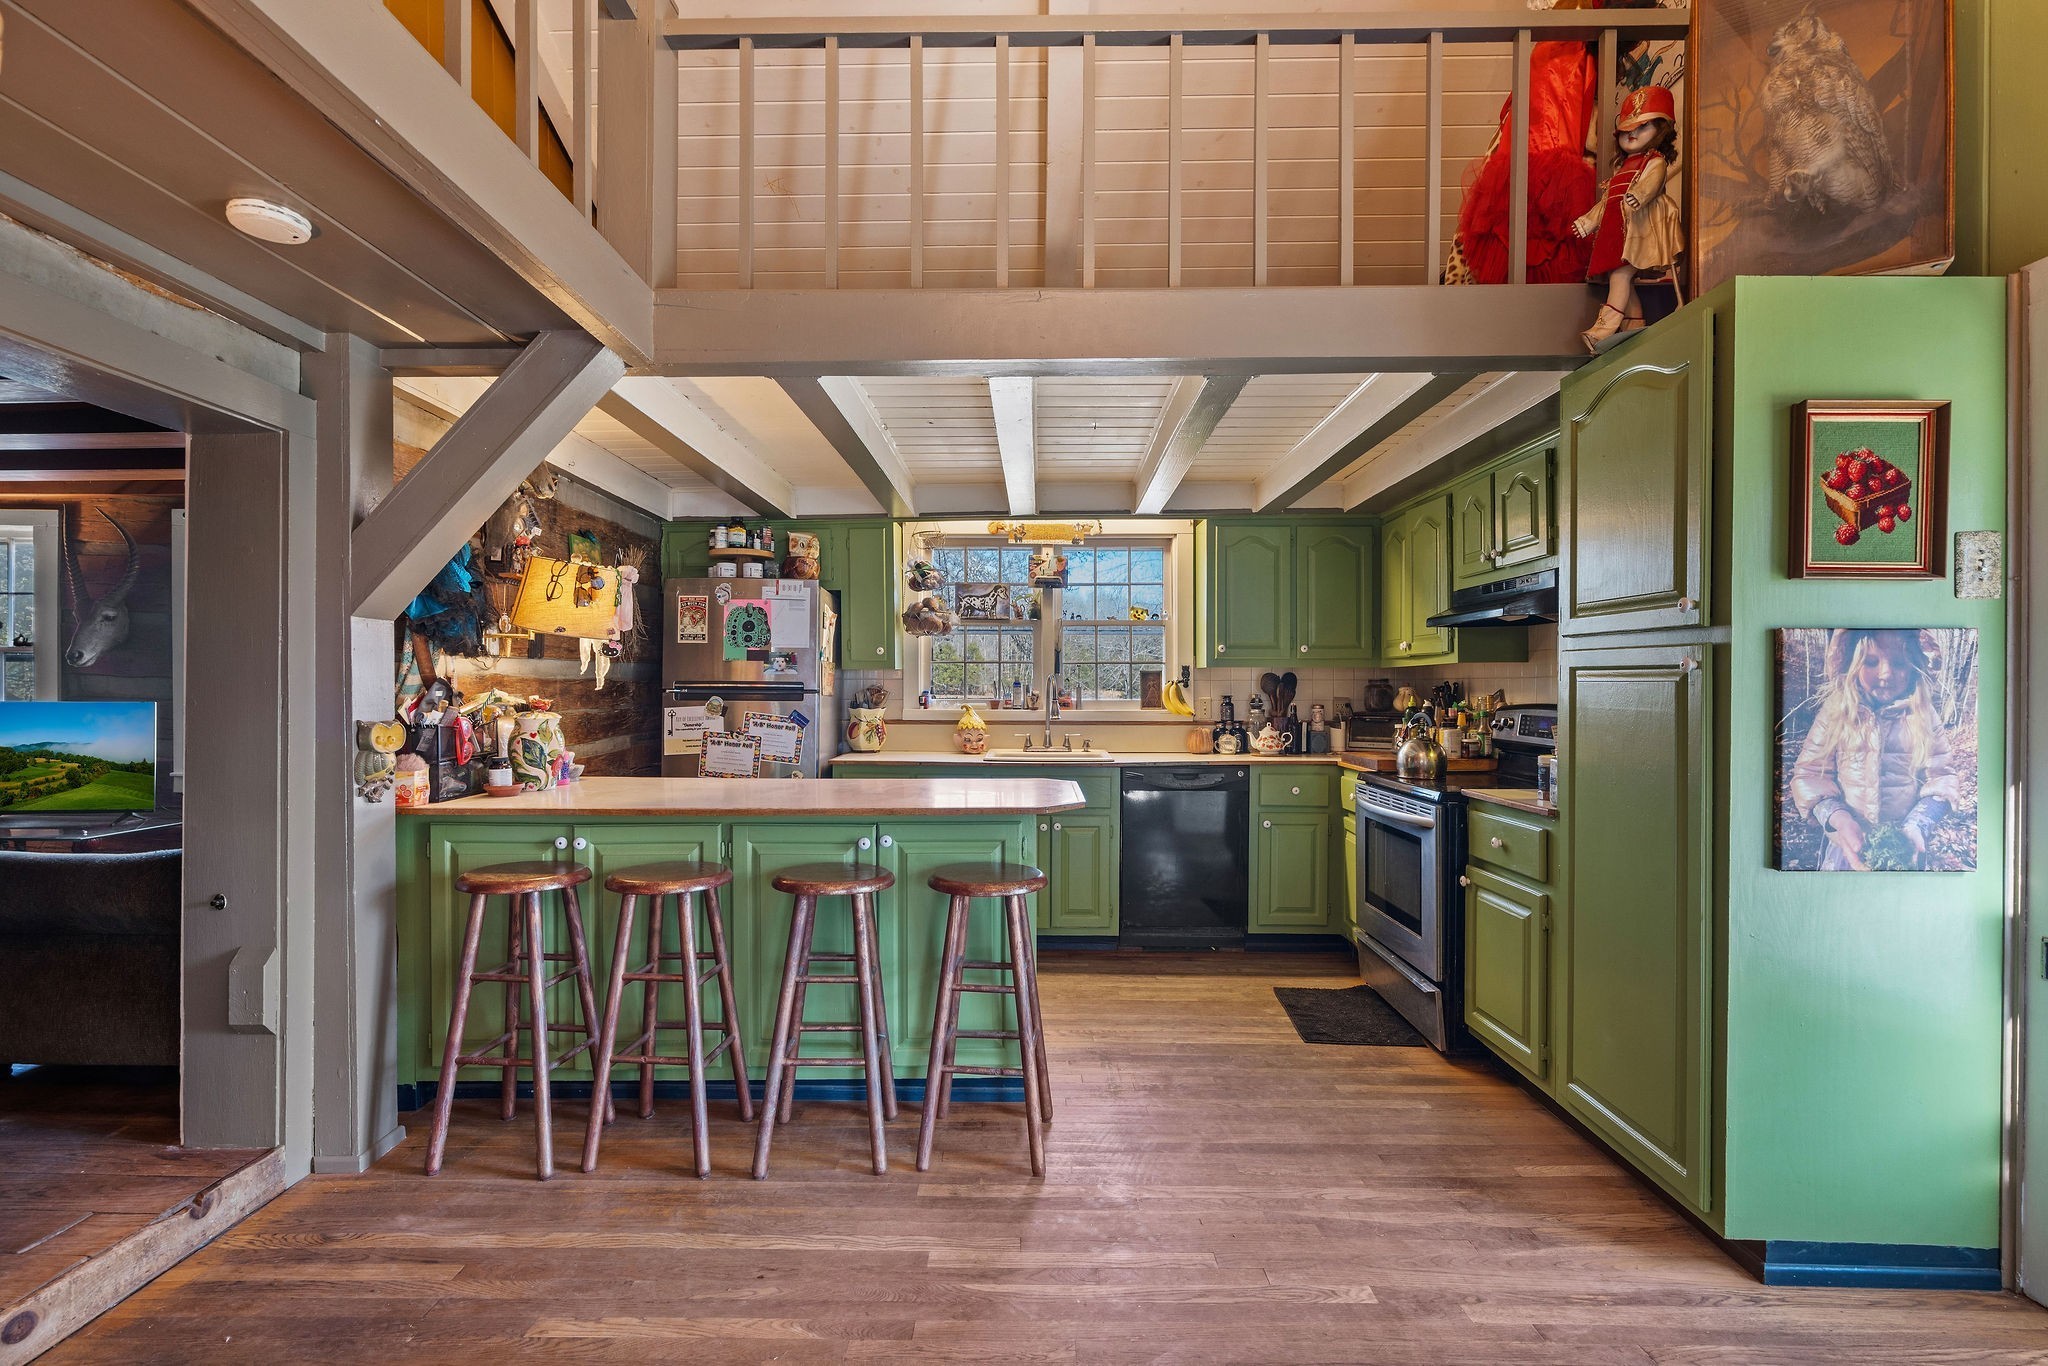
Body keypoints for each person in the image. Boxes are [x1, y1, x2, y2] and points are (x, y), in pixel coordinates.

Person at [1789, 629, 1961, 871]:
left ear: (1914, 666)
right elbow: (1810, 775)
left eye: (1899, 663)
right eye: (1871, 662)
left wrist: (1917, 824)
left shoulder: (1923, 715)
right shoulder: (1837, 711)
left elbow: (1942, 779)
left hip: (1903, 848)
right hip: (1846, 845)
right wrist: (1838, 817)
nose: (1886, 673)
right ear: (1852, 663)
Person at [1572, 82, 1683, 352]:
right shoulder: (1624, 167)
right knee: (1620, 279)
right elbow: (1606, 202)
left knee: (1621, 277)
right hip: (1616, 231)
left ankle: (1602, 329)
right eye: (1626, 131)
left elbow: (1652, 185)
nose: (1632, 136)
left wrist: (1640, 195)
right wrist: (1588, 221)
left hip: (1637, 232)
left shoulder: (1653, 161)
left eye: (1642, 127)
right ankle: (1633, 325)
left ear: (1661, 129)